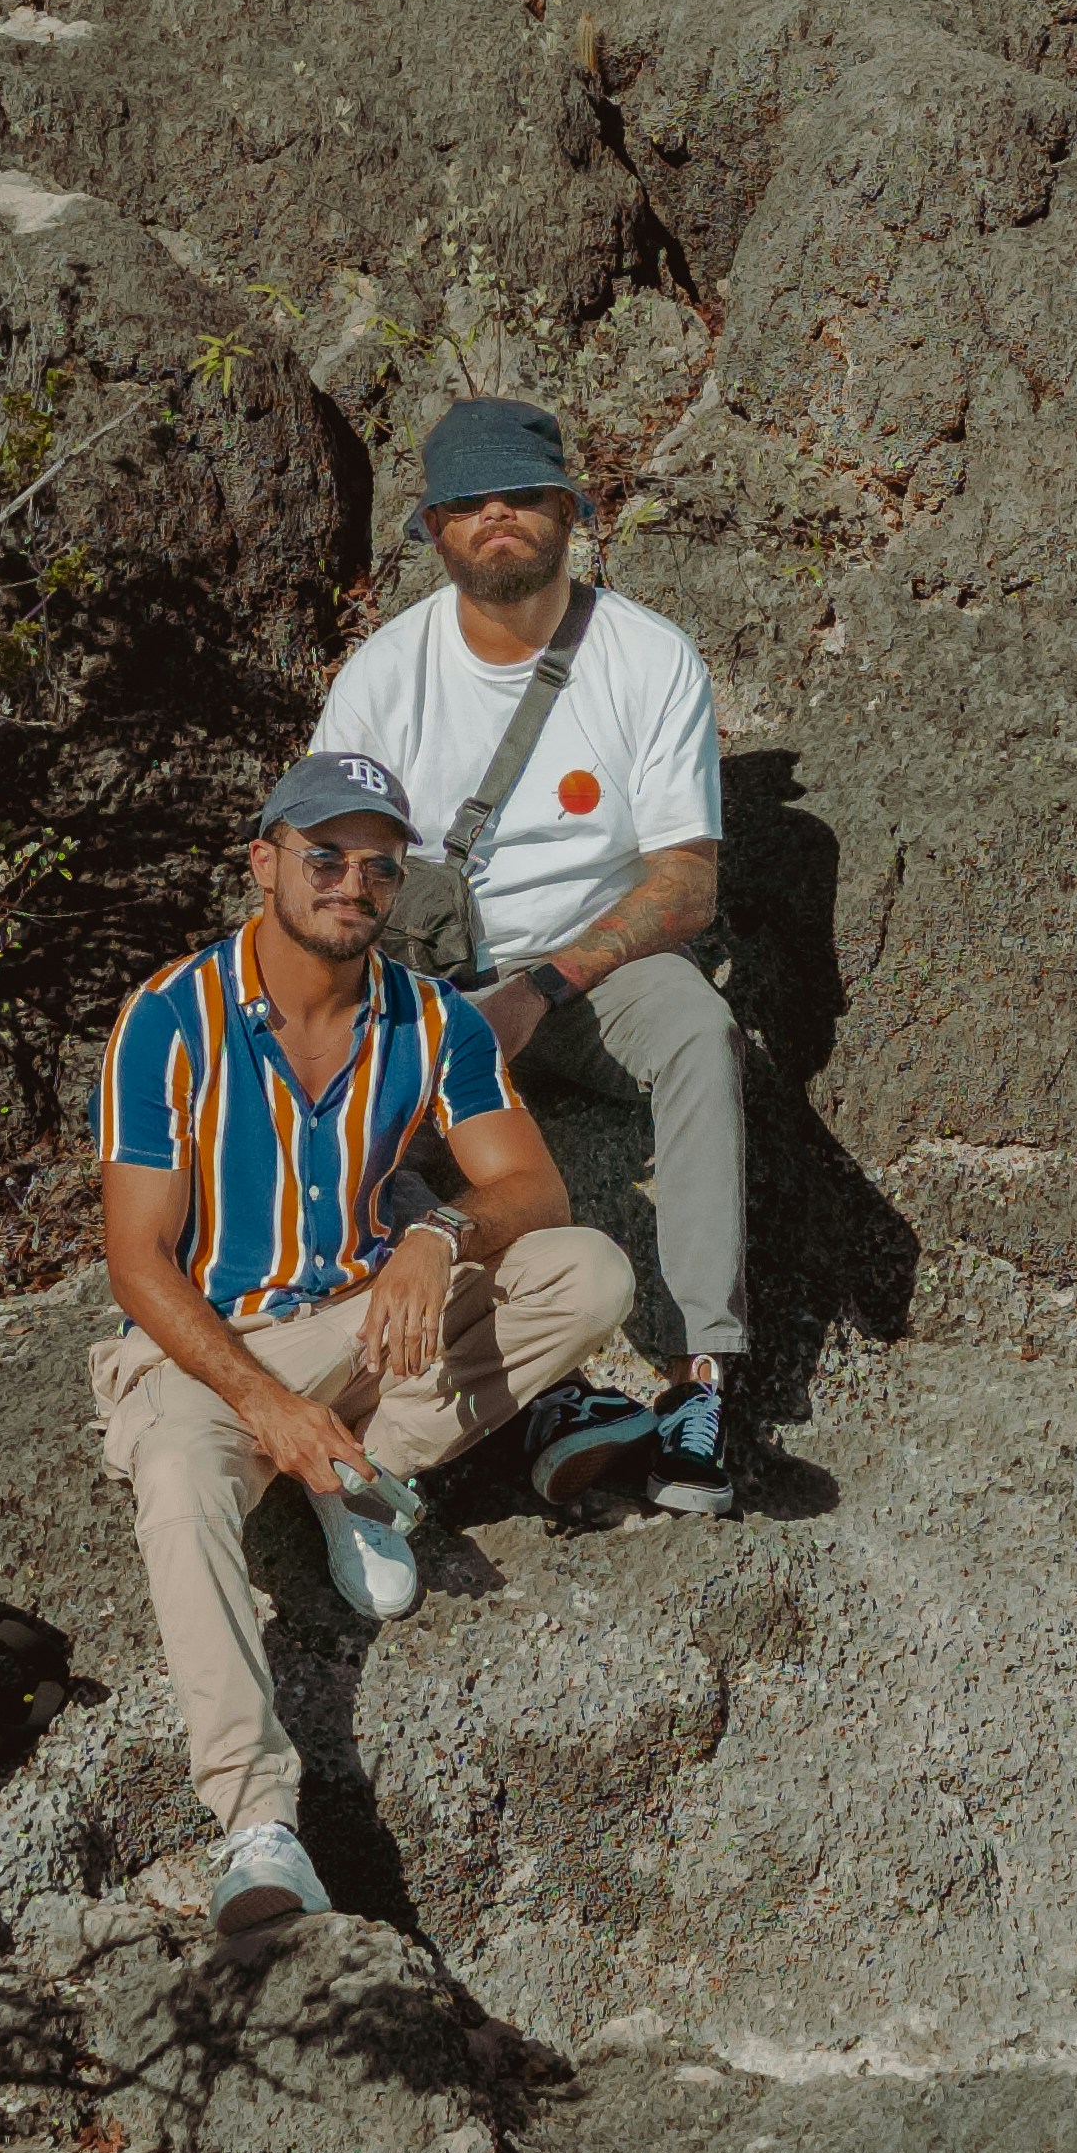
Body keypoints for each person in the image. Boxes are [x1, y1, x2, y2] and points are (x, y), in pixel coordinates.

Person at [92, 747, 657, 1949]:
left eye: (378, 864)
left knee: (590, 1273)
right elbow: (137, 1260)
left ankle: (351, 1471)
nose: (353, 880)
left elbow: (530, 1185)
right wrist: (266, 1405)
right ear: (263, 864)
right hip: (218, 1345)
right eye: (324, 855)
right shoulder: (168, 1019)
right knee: (183, 1480)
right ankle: (255, 1824)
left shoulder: (433, 1019)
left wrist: (437, 1236)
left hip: (367, 1322)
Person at [311, 394, 753, 1517]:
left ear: (568, 511)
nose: (494, 517)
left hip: (592, 971)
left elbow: (685, 879)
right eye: (466, 502)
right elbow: (331, 873)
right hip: (433, 980)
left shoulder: (645, 659)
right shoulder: (383, 677)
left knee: (700, 1034)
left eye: (520, 495)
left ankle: (702, 1373)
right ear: (432, 530)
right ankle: (514, 1389)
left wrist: (544, 987)